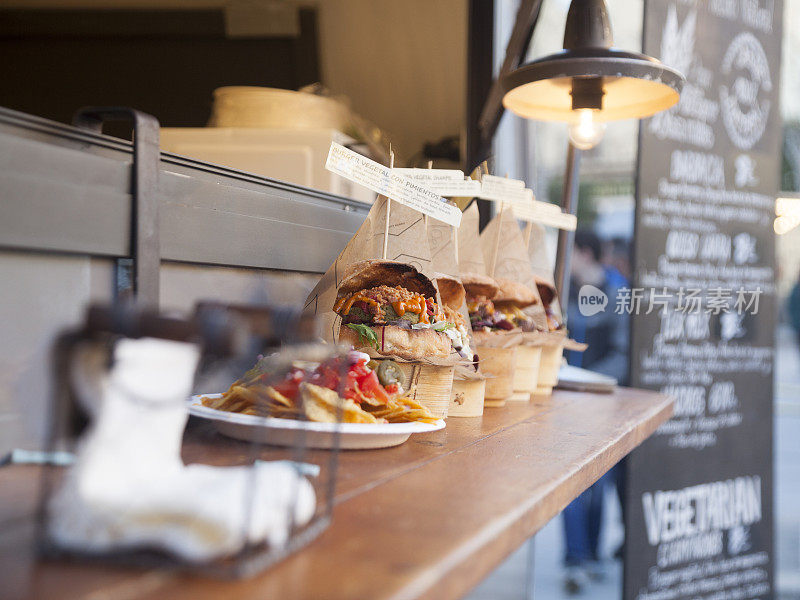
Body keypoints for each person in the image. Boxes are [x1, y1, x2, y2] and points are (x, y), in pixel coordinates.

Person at [560, 229, 630, 594]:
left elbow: (623, 352)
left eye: (570, 252)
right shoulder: (561, 289)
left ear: (584, 253)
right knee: (571, 483)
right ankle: (575, 559)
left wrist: (590, 380)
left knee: (599, 485)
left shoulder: (617, 294)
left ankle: (592, 556)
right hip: (562, 402)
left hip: (603, 403)